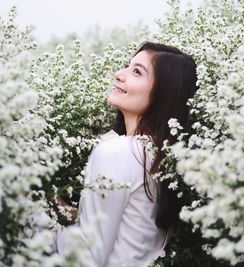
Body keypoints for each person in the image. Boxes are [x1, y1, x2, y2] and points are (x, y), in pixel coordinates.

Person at [50, 41, 198, 267]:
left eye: (137, 72)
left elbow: (86, 258)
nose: (119, 74)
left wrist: (33, 219)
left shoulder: (119, 152)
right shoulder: (159, 155)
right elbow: (126, 229)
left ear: (163, 93)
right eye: (127, 66)